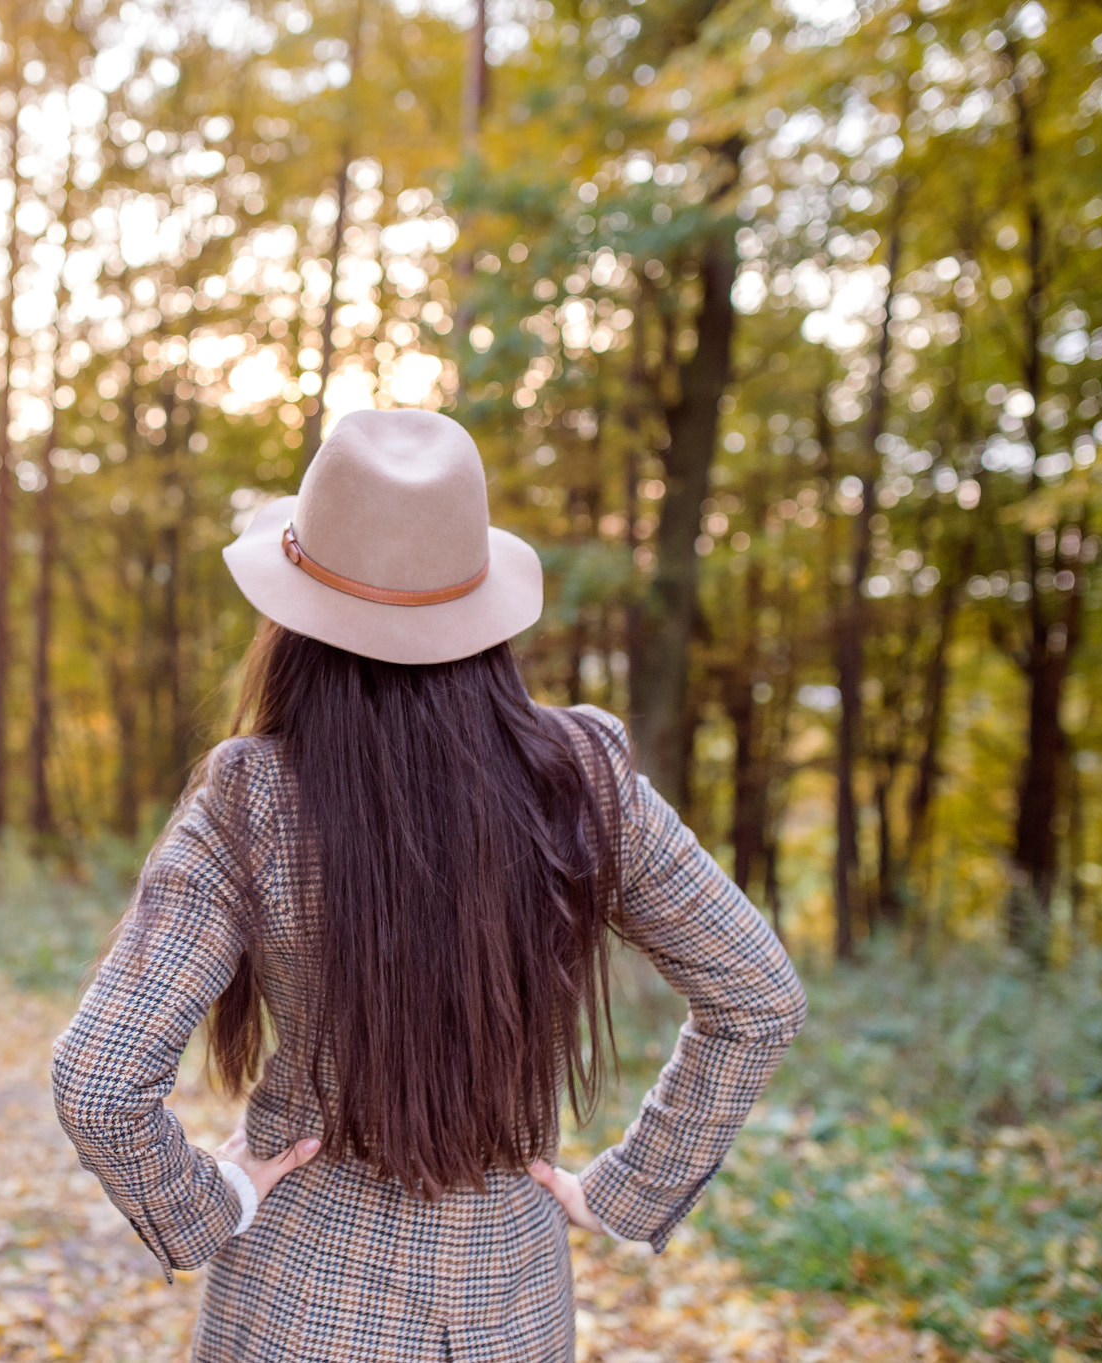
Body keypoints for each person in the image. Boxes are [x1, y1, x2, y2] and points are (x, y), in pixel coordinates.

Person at [51, 408, 806, 1362]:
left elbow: (99, 1079)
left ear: (295, 618)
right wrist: (636, 1187)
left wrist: (206, 1204)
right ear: (479, 602)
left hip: (299, 1303)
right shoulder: (585, 776)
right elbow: (759, 997)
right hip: (514, 1311)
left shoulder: (253, 798)